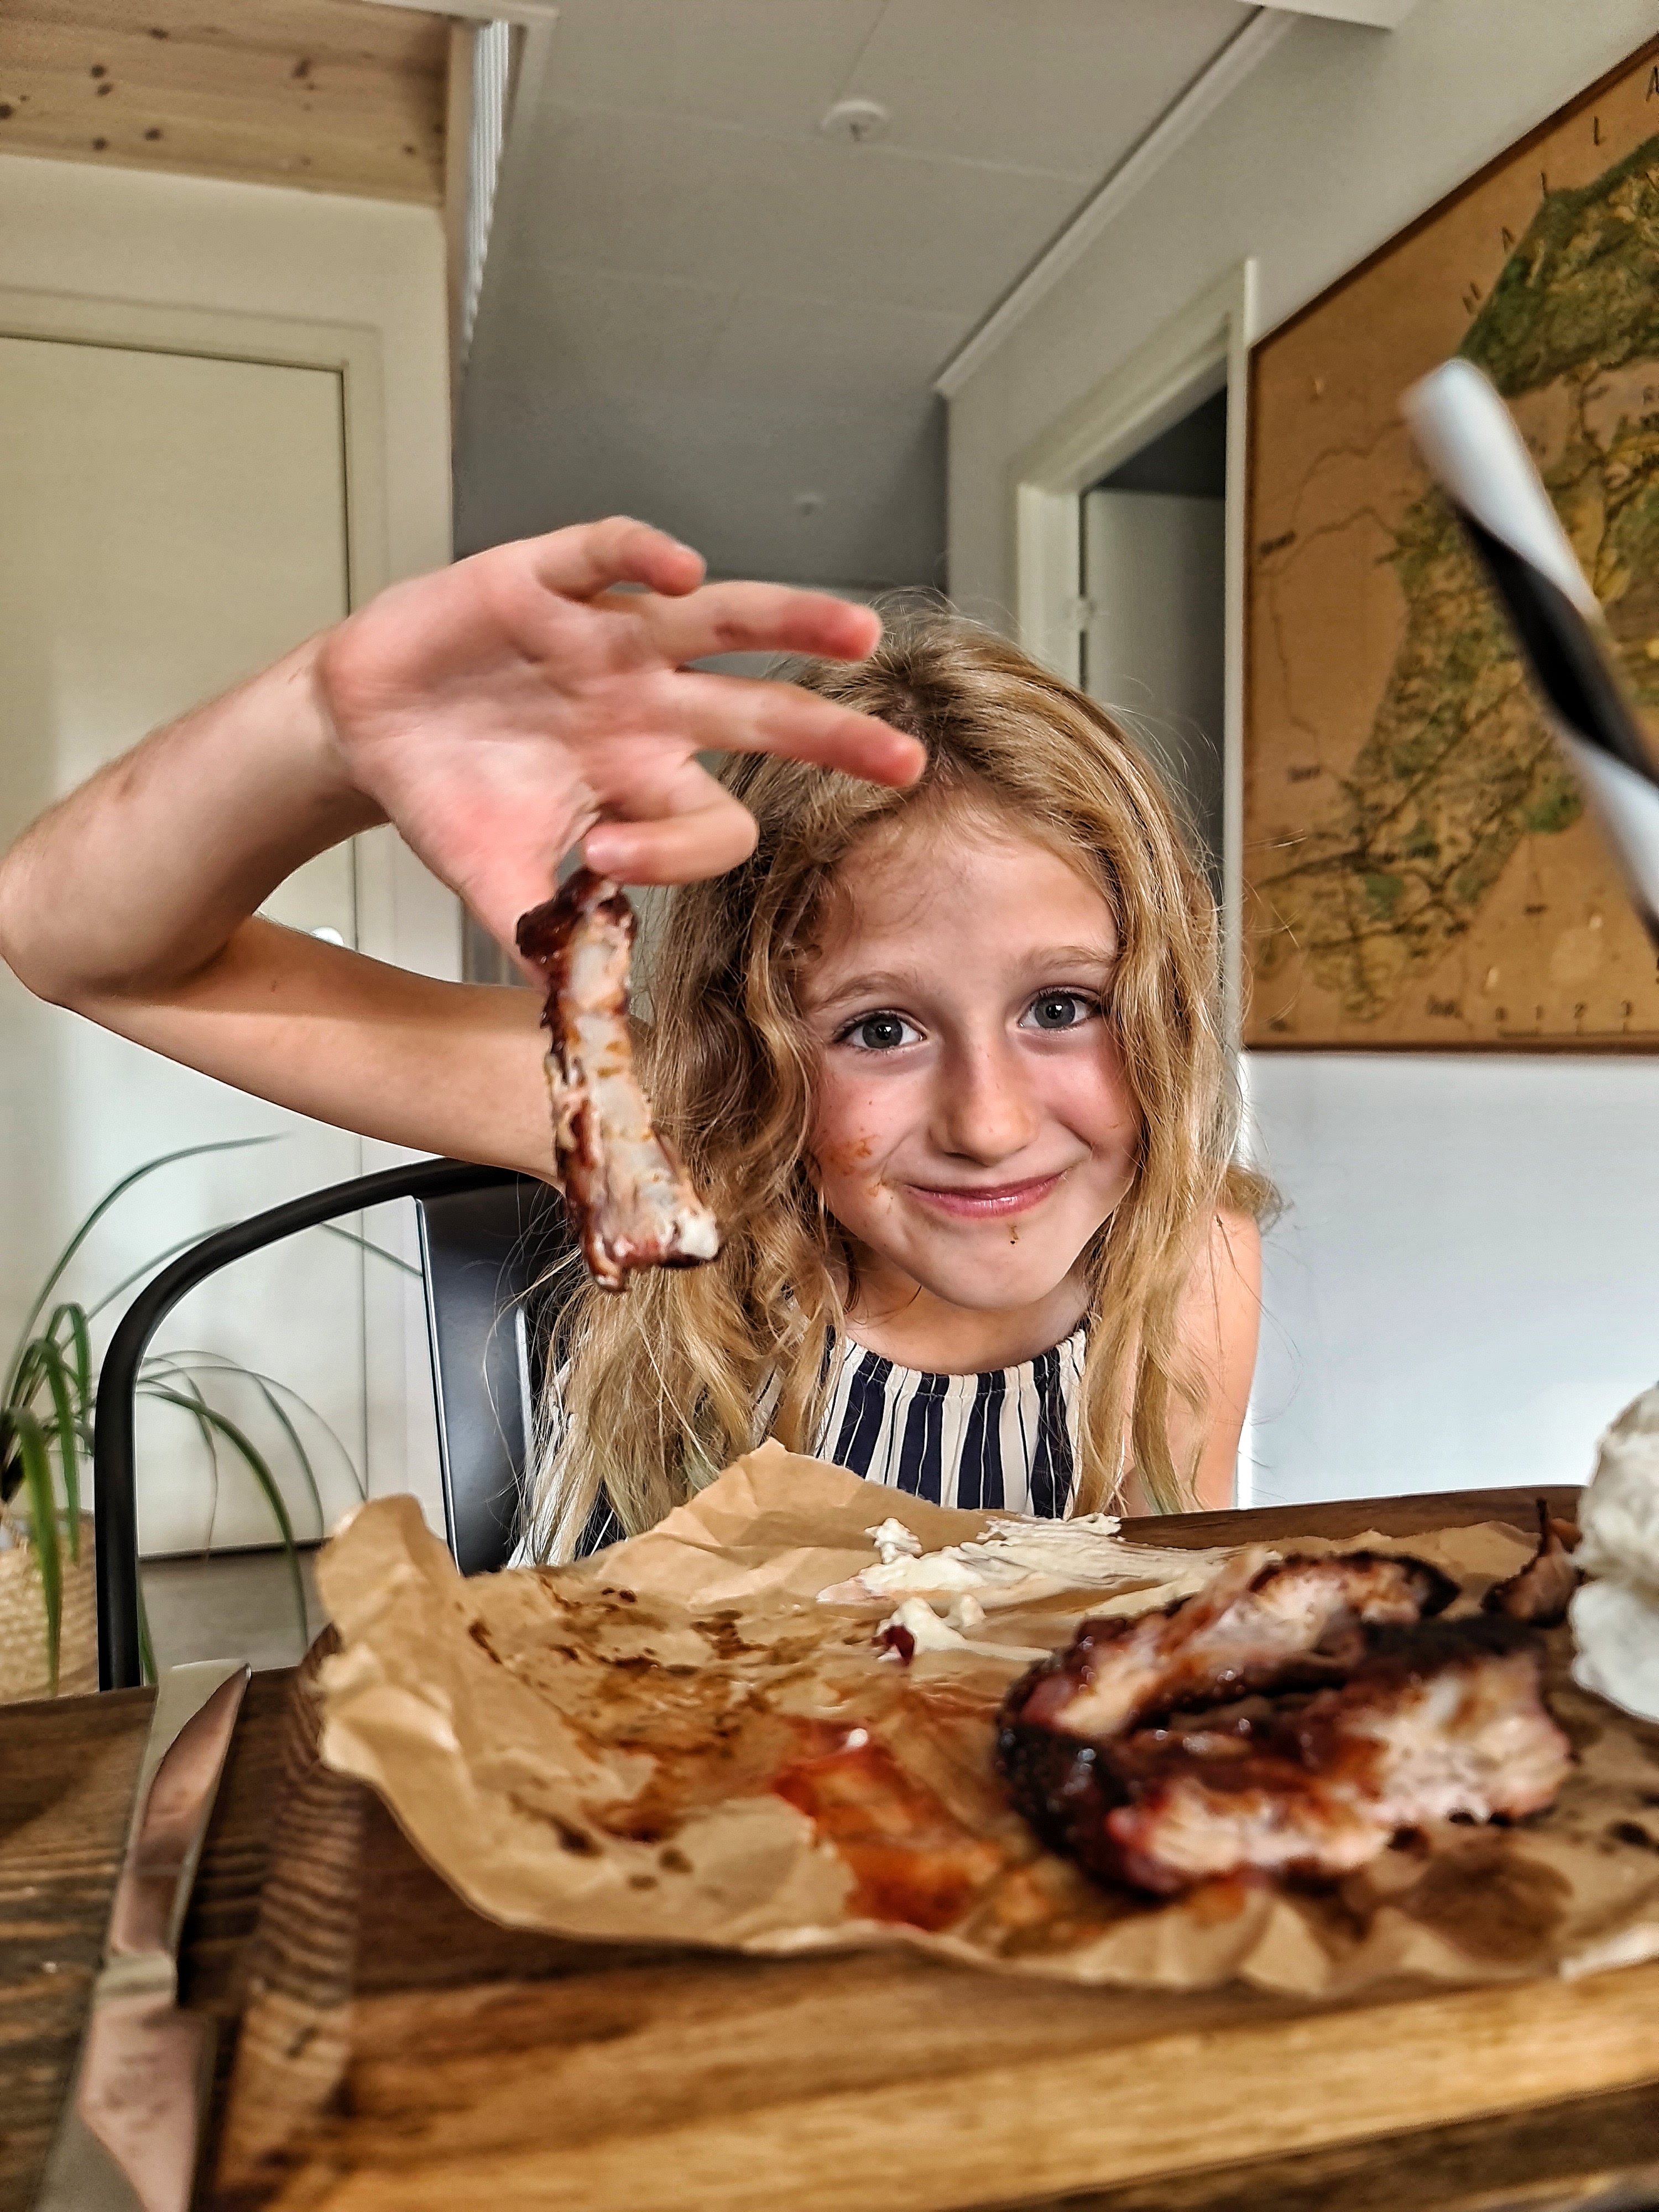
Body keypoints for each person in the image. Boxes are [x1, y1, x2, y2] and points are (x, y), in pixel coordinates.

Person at [0, 518, 1264, 1560]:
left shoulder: (1186, 1263)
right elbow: (75, 943)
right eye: (879, 1027)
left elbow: (1147, 1631)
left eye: (1062, 1006)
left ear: (1161, 998)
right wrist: (317, 729)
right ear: (752, 1032)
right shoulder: (672, 1137)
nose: (988, 1122)